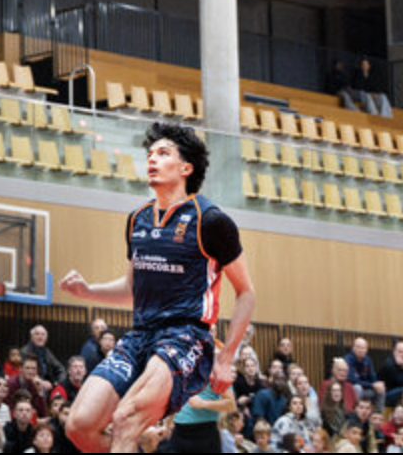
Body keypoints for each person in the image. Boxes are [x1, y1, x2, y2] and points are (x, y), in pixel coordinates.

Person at [60, 122, 256, 453]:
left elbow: (247, 293)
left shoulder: (210, 221)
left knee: (125, 418)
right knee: (78, 426)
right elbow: (131, 289)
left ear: (185, 167)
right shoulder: (137, 219)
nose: (152, 159)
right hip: (141, 335)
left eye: (163, 153)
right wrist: (88, 291)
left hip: (186, 337)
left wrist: (226, 358)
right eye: (149, 153)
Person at [344, 338, 385, 411]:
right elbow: (352, 380)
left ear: (366, 350)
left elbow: (373, 377)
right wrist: (371, 385)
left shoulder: (367, 360)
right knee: (357, 387)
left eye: (363, 348)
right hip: (351, 390)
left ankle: (377, 416)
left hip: (366, 389)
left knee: (381, 389)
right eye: (358, 347)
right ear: (353, 348)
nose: (361, 350)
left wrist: (377, 384)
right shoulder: (348, 359)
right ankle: (355, 413)